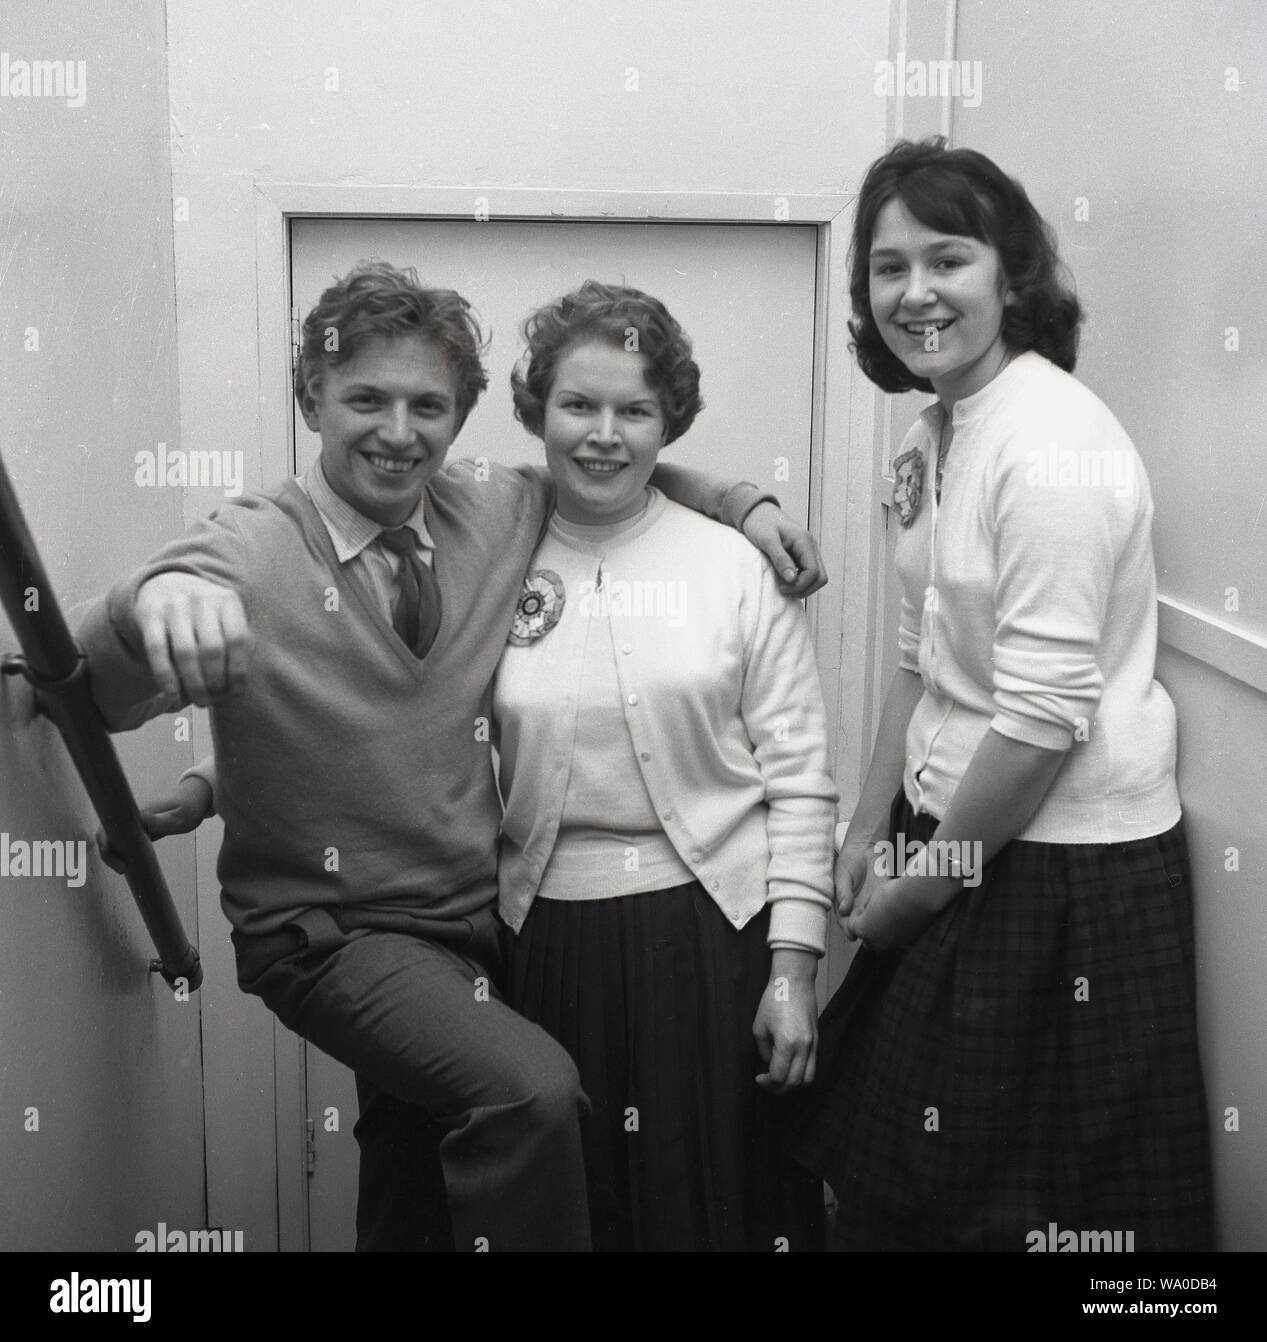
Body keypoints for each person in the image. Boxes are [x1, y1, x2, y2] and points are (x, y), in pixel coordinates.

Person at [76, 261, 827, 1253]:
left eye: (427, 404)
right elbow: (109, 663)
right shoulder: (252, 549)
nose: (398, 430)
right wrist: (152, 598)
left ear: (464, 417)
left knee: (415, 1185)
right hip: (339, 935)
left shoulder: (487, 514)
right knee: (531, 1098)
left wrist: (743, 502)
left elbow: (606, 470)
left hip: (473, 933)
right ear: (312, 396)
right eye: (366, 399)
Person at [790, 138, 1213, 1252]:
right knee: (902, 1183)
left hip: (1064, 868)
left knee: (1047, 1217)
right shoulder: (934, 430)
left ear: (1010, 277)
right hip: (962, 834)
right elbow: (916, 654)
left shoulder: (1053, 446)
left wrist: (913, 894)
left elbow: (1036, 725)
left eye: (948, 259)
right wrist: (865, 818)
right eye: (889, 268)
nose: (916, 293)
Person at [493, 281, 838, 1251]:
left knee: (713, 1209)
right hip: (542, 945)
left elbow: (801, 780)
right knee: (579, 1210)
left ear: (668, 421)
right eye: (578, 406)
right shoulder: (486, 556)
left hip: (710, 944)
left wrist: (793, 971)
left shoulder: (731, 566)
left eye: (634, 410)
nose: (604, 435)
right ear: (536, 411)